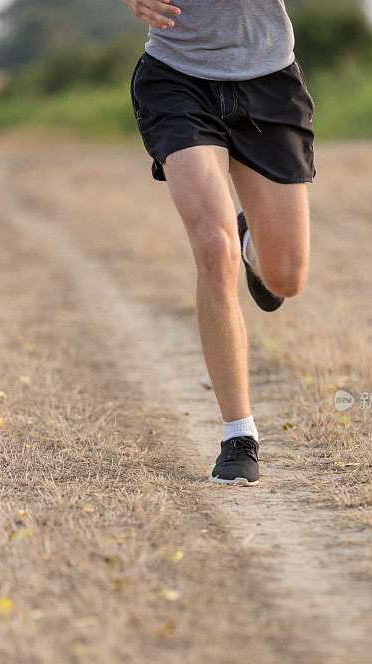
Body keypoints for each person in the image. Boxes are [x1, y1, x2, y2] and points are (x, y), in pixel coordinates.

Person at [124, 0, 315, 485]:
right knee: (214, 246)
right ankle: (239, 434)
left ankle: (250, 240)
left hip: (269, 78)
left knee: (286, 278)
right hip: (176, 78)